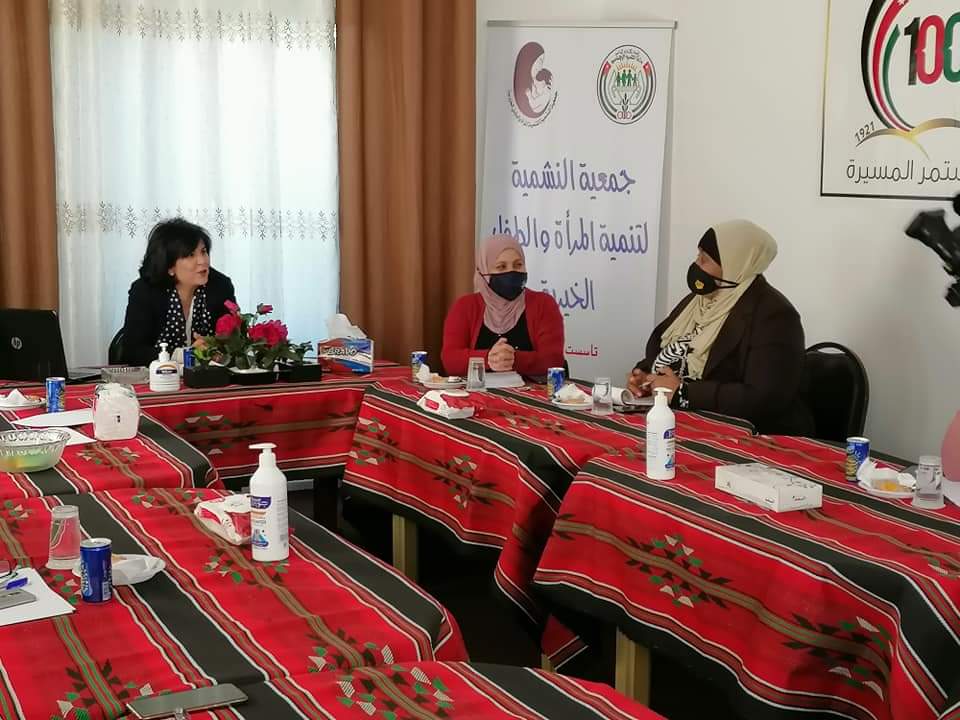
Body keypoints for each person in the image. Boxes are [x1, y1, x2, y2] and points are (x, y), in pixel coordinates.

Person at [628, 220, 813, 435]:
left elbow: (765, 397)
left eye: (704, 259)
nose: (696, 264)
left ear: (734, 264)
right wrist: (645, 376)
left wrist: (685, 393)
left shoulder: (775, 316)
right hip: (684, 423)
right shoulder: (698, 302)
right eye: (698, 255)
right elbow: (671, 348)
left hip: (749, 436)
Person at [442, 234, 564, 378]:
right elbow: (450, 360)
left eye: (518, 265)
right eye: (501, 267)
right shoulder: (465, 307)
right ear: (484, 272)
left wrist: (514, 359)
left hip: (531, 391)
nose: (511, 272)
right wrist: (488, 359)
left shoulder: (543, 304)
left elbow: (553, 360)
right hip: (478, 391)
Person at [121, 218, 236, 366]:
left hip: (206, 375)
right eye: (190, 255)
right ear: (169, 266)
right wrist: (184, 354)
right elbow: (132, 351)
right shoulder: (145, 291)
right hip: (158, 376)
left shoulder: (220, 286)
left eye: (203, 252)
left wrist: (213, 348)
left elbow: (235, 341)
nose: (202, 261)